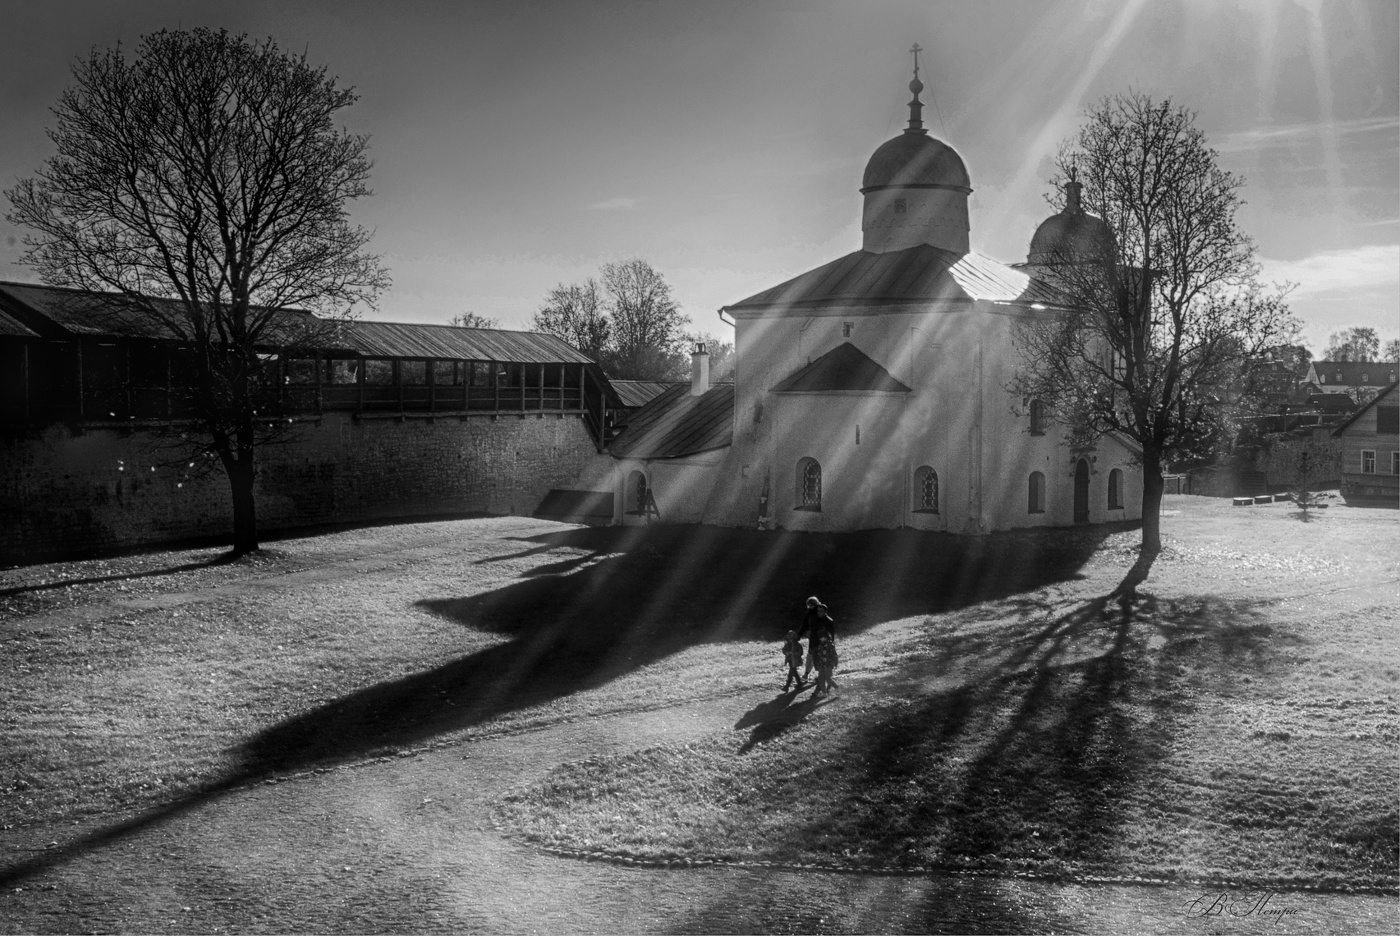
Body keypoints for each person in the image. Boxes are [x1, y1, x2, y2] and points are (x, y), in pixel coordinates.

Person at [796, 597, 835, 684]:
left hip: (821, 639)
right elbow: (805, 624)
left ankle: (820, 675)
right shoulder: (809, 613)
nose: (810, 607)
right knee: (810, 655)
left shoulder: (819, 613)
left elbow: (825, 627)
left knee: (820, 656)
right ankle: (806, 674)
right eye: (808, 605)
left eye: (811, 605)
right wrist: (800, 634)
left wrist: (830, 641)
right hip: (813, 638)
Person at [812, 633, 839, 697]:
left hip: (828, 665)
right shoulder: (820, 645)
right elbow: (818, 655)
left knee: (828, 679)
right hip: (821, 664)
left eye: (822, 637)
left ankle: (837, 687)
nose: (821, 638)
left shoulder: (830, 645)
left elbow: (834, 655)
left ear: (826, 637)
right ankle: (824, 693)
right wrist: (817, 664)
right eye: (820, 637)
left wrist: (835, 663)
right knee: (821, 679)